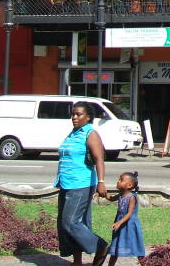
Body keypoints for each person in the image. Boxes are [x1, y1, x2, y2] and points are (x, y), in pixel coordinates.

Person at [55, 101, 110, 266]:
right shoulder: (73, 133)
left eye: (79, 114)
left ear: (88, 117)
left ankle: (101, 247)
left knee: (70, 222)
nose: (74, 117)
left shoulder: (90, 133)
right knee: (78, 223)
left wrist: (101, 182)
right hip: (66, 183)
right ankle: (77, 261)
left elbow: (99, 158)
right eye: (73, 114)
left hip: (81, 184)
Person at [106, 172, 146, 265]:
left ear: (129, 185)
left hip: (130, 225)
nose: (118, 182)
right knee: (115, 245)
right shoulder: (120, 194)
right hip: (120, 224)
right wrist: (102, 193)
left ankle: (144, 263)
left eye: (121, 180)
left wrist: (119, 222)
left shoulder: (132, 197)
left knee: (135, 245)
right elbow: (111, 198)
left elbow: (130, 213)